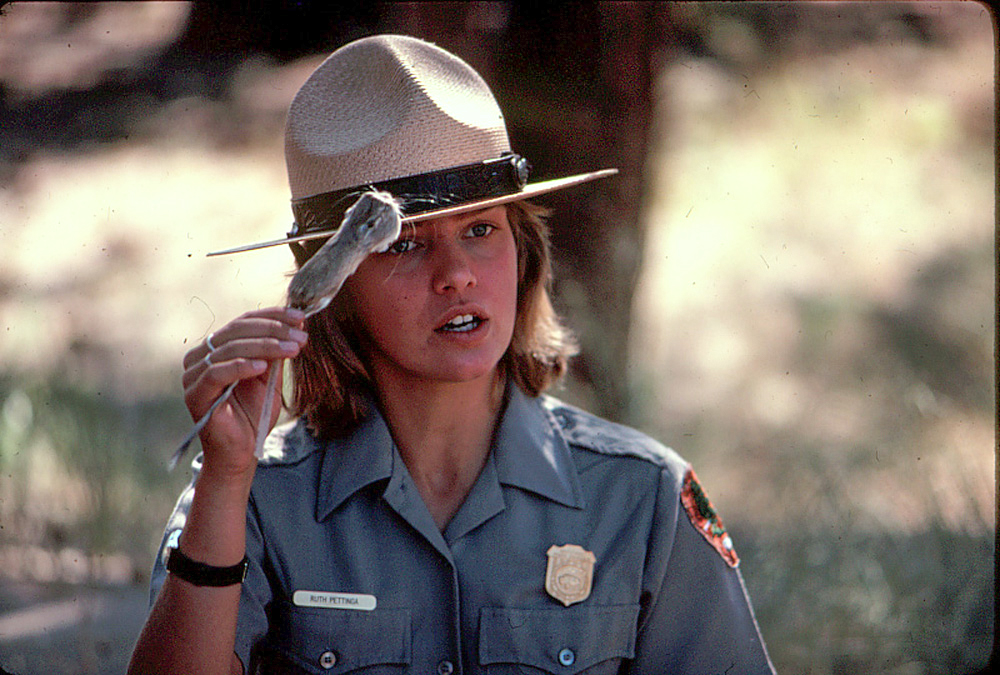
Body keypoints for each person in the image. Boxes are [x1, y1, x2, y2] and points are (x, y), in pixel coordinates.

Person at [129, 34, 775, 675]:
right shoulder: (256, 501)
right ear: (335, 289)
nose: (456, 274)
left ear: (523, 253)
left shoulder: (641, 499)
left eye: (480, 229)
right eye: (405, 244)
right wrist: (225, 476)